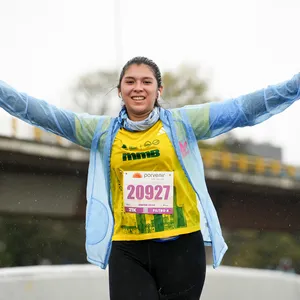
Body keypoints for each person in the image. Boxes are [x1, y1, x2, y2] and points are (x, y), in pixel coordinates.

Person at [0, 56, 299, 299]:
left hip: (181, 248)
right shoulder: (102, 132)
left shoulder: (183, 124)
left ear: (159, 90)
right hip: (128, 249)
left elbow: (241, 110)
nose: (138, 88)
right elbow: (42, 114)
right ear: (119, 90)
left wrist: (293, 86)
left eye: (146, 81)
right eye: (130, 82)